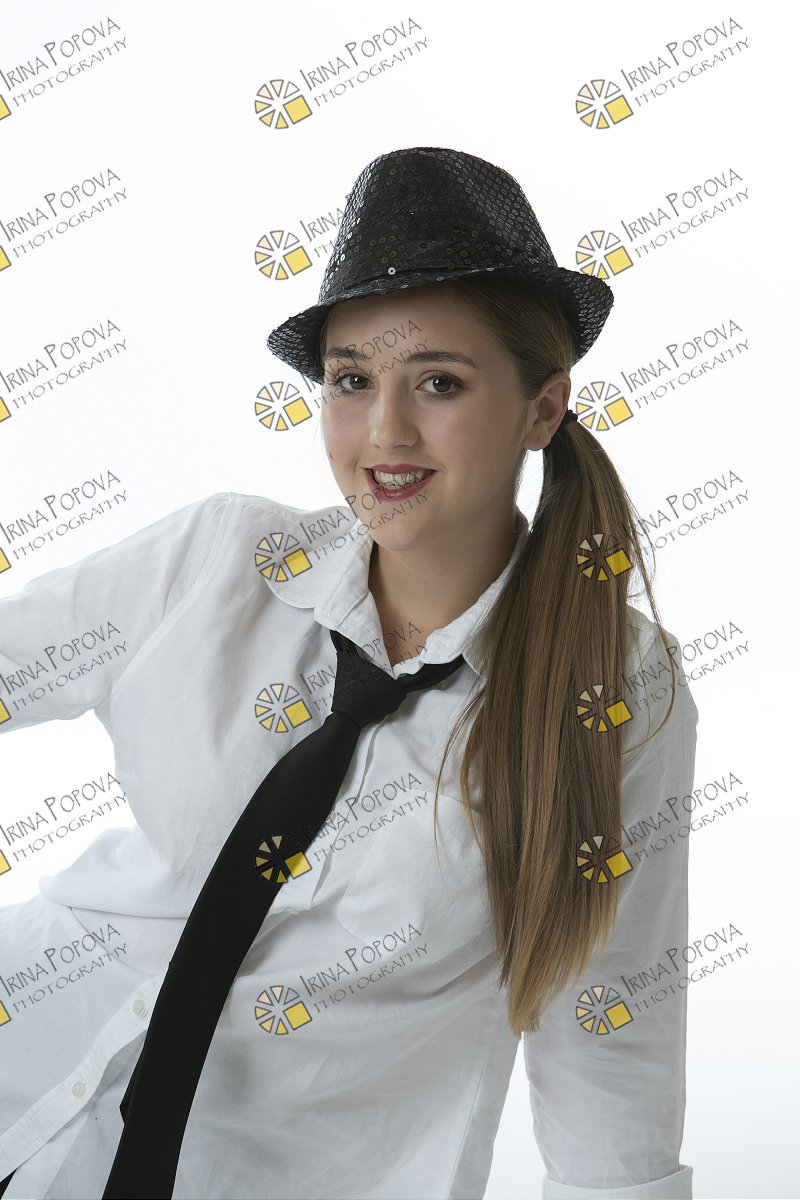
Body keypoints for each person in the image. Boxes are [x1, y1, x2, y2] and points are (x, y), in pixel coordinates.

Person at [0, 147, 699, 1199]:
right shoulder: (219, 559)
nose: (384, 433)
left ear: (543, 408)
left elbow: (607, 1032)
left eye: (439, 383)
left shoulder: (612, 687)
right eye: (351, 380)